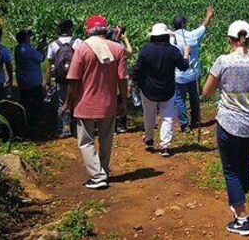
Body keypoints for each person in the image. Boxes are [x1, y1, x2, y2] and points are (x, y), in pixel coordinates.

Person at [203, 20, 249, 237]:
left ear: (229, 39)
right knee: (244, 160)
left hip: (229, 123)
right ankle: (240, 195)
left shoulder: (223, 61)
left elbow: (206, 92)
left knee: (231, 169)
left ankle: (242, 219)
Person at [62, 15, 128, 190]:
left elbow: (73, 80)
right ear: (106, 29)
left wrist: (68, 103)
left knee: (86, 141)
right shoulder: (117, 49)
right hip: (108, 103)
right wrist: (124, 100)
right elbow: (122, 79)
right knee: (106, 139)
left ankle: (97, 176)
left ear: (88, 30)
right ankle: (103, 171)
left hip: (85, 103)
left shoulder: (83, 49)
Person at [133, 23, 189, 158]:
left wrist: (137, 83)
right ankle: (165, 146)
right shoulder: (173, 50)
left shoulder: (146, 49)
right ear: (166, 36)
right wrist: (186, 54)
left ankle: (149, 138)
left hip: (148, 89)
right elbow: (183, 66)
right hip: (167, 89)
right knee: (168, 117)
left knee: (149, 115)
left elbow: (137, 69)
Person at [171, 7, 214, 132]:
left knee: (180, 100)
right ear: (184, 24)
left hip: (178, 76)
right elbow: (203, 26)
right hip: (193, 74)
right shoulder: (192, 36)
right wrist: (208, 16)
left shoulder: (171, 39)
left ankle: (185, 124)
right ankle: (195, 120)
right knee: (194, 97)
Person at [46, 19, 82, 138]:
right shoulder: (78, 42)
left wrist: (47, 81)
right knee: (76, 101)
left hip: (61, 78)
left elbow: (50, 65)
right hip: (76, 78)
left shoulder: (53, 44)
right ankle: (77, 128)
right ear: (71, 29)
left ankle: (63, 127)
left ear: (59, 29)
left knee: (62, 101)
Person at [14, 29, 45, 130]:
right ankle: (34, 122)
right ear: (26, 38)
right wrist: (41, 48)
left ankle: (24, 121)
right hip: (33, 80)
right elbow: (41, 58)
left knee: (25, 101)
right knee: (37, 101)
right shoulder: (28, 49)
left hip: (22, 80)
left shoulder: (18, 48)